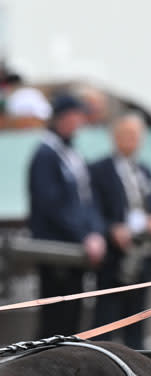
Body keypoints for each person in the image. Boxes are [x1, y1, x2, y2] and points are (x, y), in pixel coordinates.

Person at [28, 93, 106, 337]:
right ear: (62, 117)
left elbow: (87, 197)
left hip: (77, 248)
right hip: (57, 248)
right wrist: (84, 235)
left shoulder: (70, 152)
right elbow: (52, 205)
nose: (80, 121)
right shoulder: (45, 154)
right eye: (76, 115)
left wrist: (95, 231)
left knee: (72, 316)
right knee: (55, 317)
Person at [89, 113, 151, 348]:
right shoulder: (98, 170)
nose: (132, 140)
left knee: (137, 321)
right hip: (113, 258)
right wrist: (110, 229)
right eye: (127, 135)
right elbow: (91, 209)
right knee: (106, 319)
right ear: (115, 137)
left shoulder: (145, 170)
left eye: (136, 136)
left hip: (142, 254)